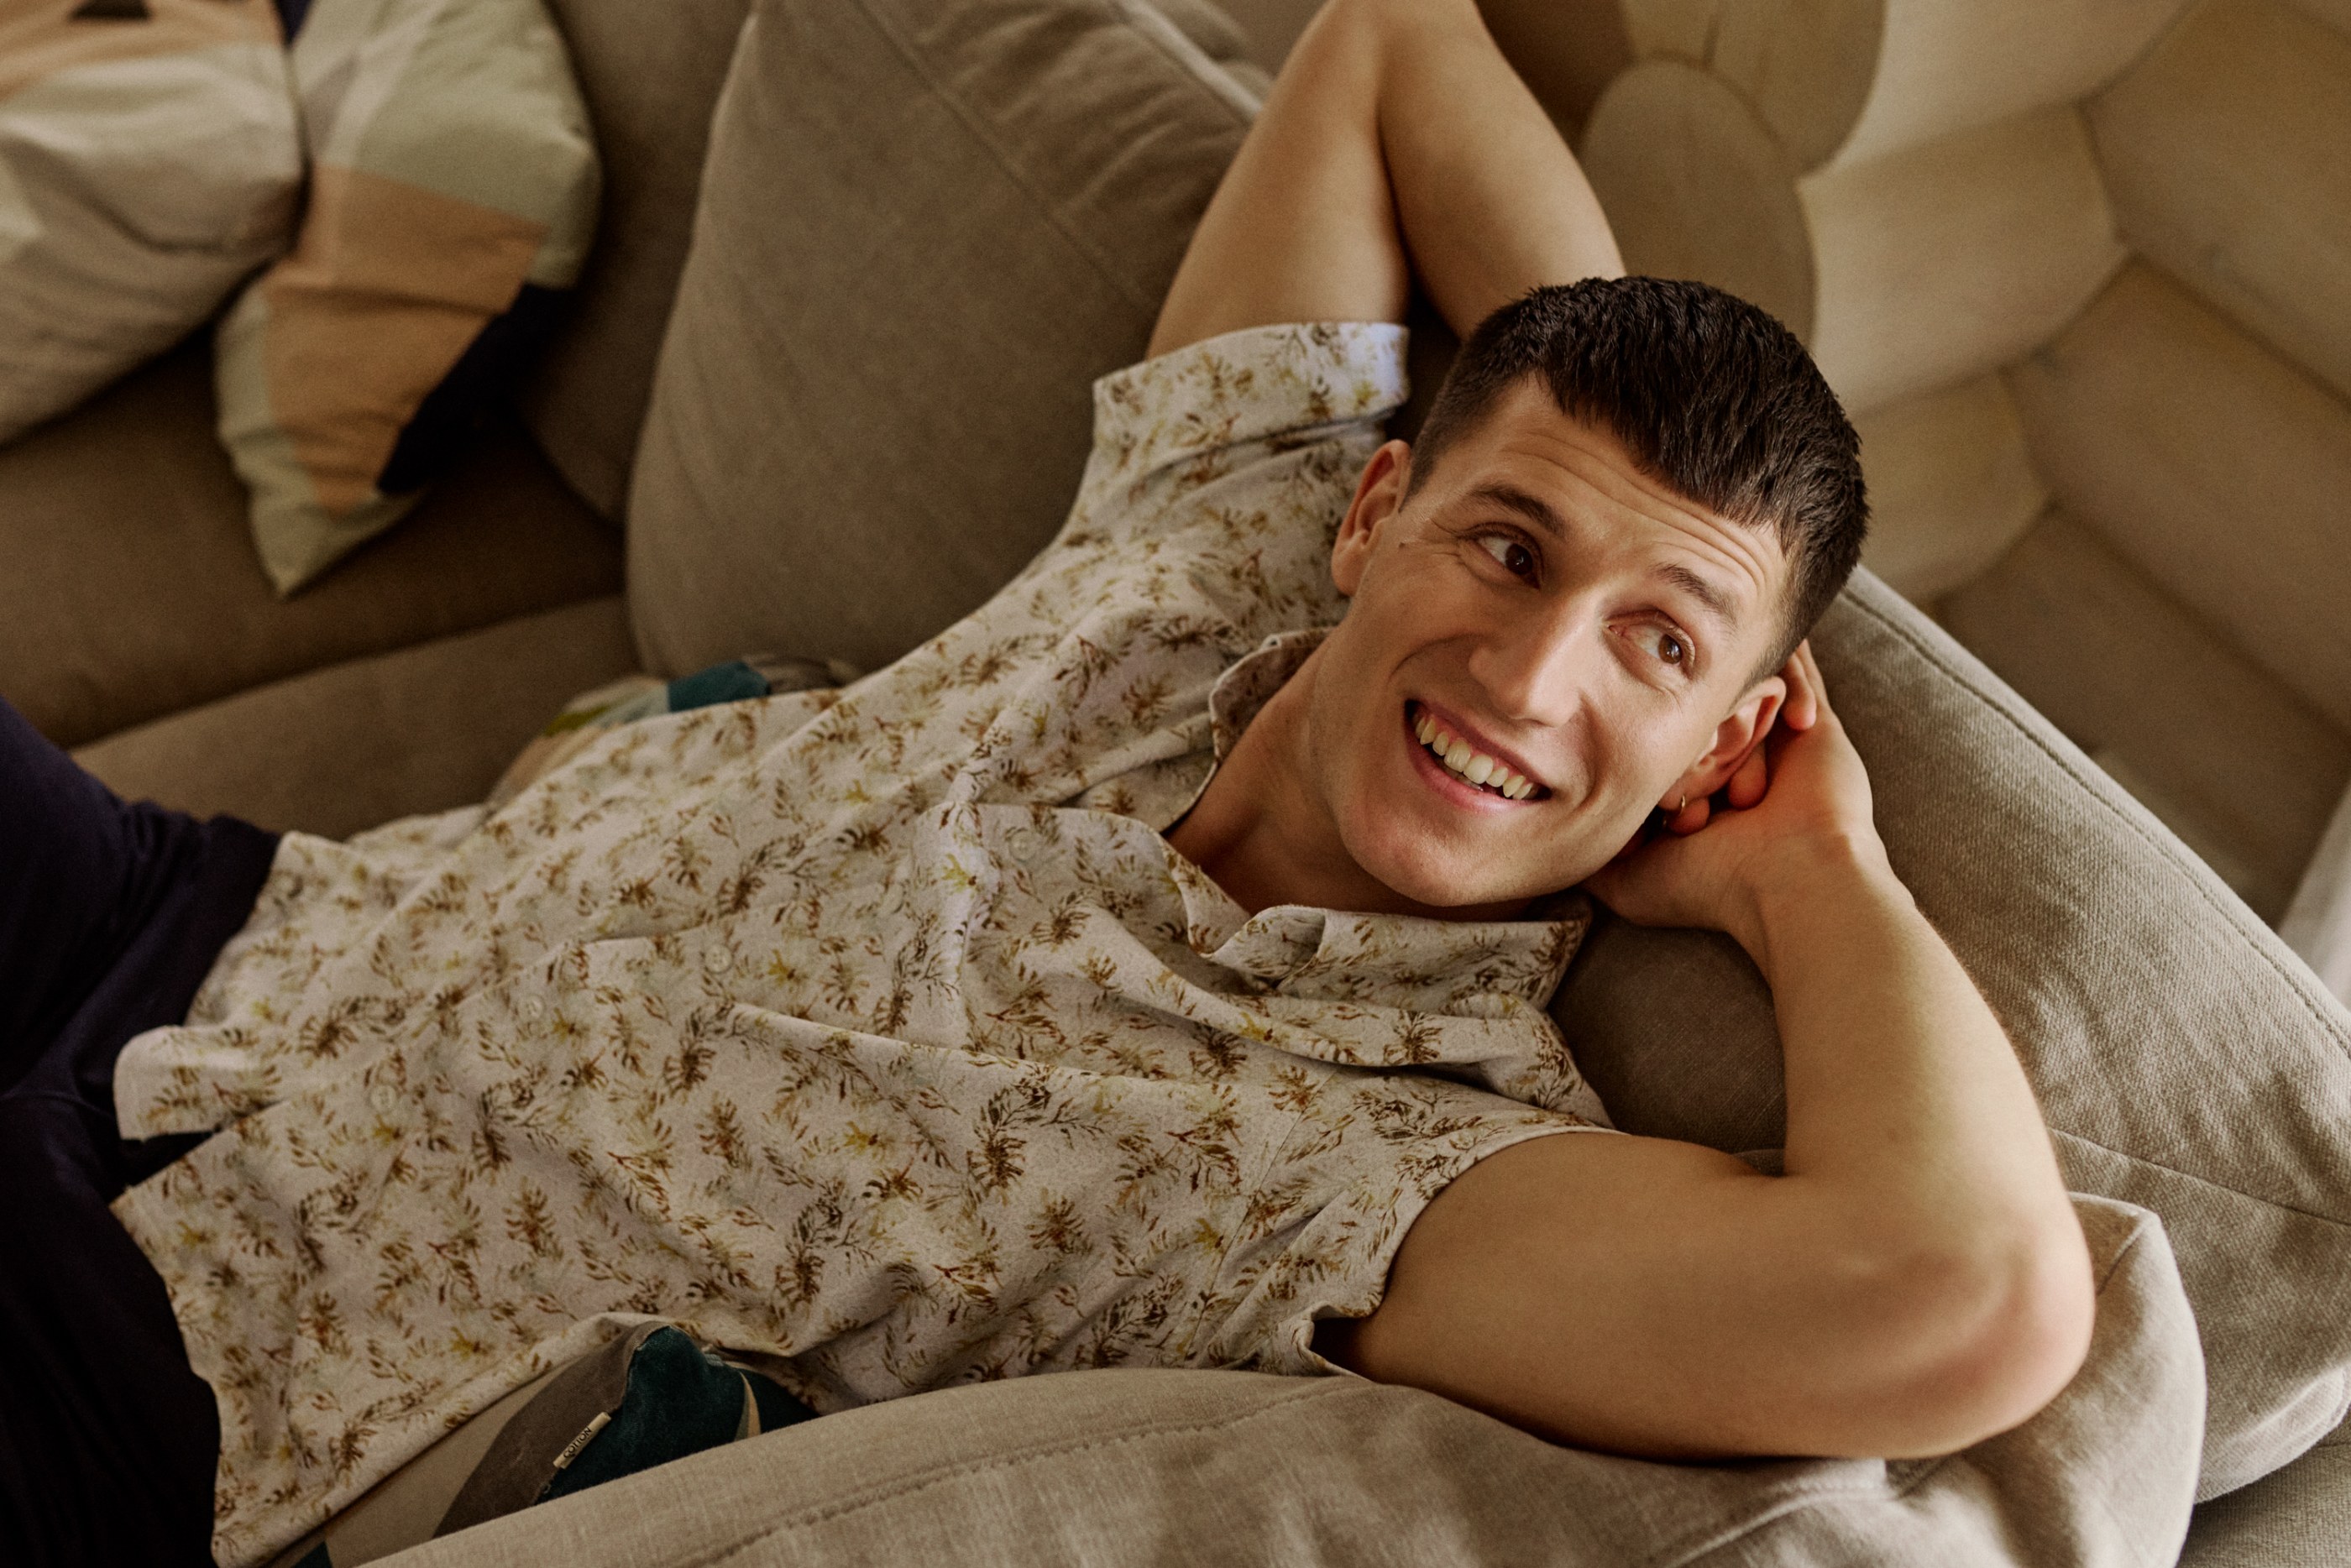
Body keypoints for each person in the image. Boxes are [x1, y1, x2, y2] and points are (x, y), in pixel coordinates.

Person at [0, 0, 2093, 1562]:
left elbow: (1966, 1300)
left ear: (1733, 729)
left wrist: (1817, 870)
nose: (1530, 674)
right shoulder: (1211, 546)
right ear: (1375, 513)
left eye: (1655, 644)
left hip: (174, 1354)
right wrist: (1653, 495)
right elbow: (1388, 45)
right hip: (223, 926)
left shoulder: (1387, 1156)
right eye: (1509, 543)